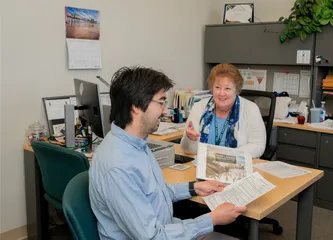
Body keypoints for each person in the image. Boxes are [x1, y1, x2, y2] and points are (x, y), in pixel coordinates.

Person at [89, 66, 247, 240]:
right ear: (136, 106)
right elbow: (153, 237)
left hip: (168, 228)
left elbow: (156, 193)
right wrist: (213, 219)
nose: (165, 111)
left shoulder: (135, 143)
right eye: (161, 102)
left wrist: (194, 187)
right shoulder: (118, 166)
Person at [180, 63, 266, 158]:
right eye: (217, 87)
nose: (221, 93)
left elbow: (258, 146)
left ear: (236, 90)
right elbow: (187, 151)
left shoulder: (250, 109)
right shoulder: (199, 107)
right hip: (203, 167)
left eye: (227, 88)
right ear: (212, 88)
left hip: (236, 167)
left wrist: (226, 156)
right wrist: (190, 139)